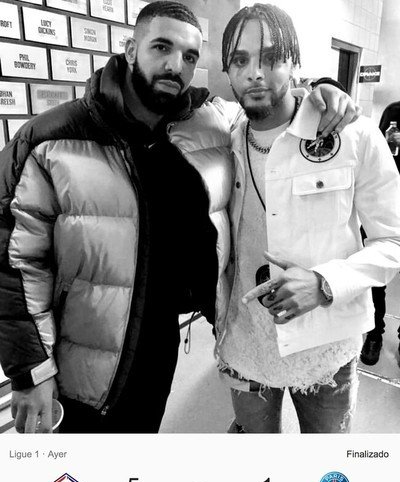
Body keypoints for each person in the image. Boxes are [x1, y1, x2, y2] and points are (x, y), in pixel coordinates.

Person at [0, 1, 359, 434]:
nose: (176, 65)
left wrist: (323, 91)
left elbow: (274, 107)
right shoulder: (50, 140)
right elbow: (15, 262)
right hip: (82, 356)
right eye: (161, 48)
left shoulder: (210, 120)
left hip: (160, 342)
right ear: (130, 49)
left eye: (189, 56)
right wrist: (31, 370)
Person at [215, 3, 400, 433]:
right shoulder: (223, 134)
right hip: (245, 342)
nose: (255, 73)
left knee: (325, 463)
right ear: (227, 70)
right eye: (240, 60)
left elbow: (394, 240)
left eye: (271, 58)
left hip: (324, 344)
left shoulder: (351, 134)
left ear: (295, 63)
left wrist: (325, 283)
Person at [360, 101, 400, 366]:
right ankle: (374, 334)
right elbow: (376, 162)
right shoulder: (394, 112)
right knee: (377, 278)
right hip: (384, 210)